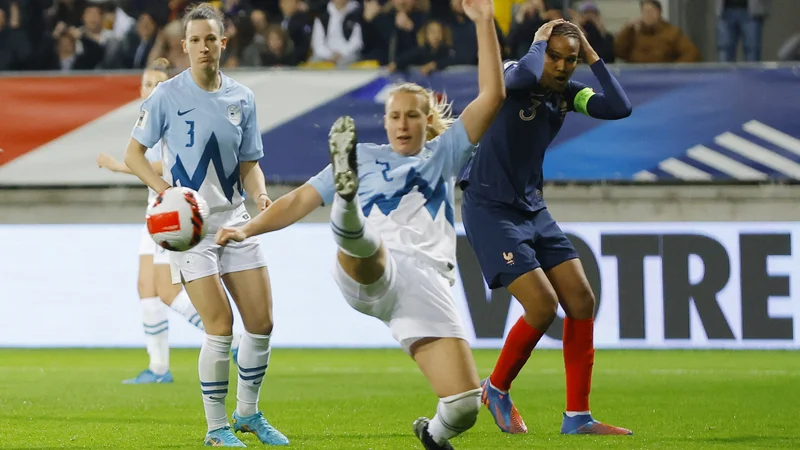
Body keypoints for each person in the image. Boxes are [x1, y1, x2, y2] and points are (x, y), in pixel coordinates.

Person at [216, 0, 505, 447]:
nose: (403, 124)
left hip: (427, 281)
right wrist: (246, 228)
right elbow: (295, 201)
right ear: (385, 121)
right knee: (369, 246)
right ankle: (348, 213)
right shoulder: (360, 156)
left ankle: (433, 434)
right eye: (394, 115)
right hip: (371, 268)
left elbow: (493, 96)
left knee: (465, 405)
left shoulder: (446, 154)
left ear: (429, 122)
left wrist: (485, 20)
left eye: (413, 115)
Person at [122, 4, 288, 447]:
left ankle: (248, 415)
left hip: (235, 221)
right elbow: (133, 155)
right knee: (219, 325)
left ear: (223, 43)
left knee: (262, 323)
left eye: (210, 39)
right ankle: (216, 429)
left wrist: (261, 195)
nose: (202, 47)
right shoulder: (166, 96)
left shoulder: (242, 98)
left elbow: (250, 162)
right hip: (190, 227)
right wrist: (166, 194)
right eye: (194, 40)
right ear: (184, 46)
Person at [458, 19, 634, 436]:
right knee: (541, 307)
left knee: (581, 300)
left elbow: (619, 107)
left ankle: (577, 418)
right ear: (542, 51)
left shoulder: (569, 95)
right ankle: (496, 389)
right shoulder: (514, 78)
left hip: (532, 208)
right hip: (489, 207)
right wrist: (538, 43)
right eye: (554, 56)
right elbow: (522, 73)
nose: (560, 66)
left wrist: (594, 58)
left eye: (569, 60)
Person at [97, 57, 222, 385]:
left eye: (157, 84)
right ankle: (158, 368)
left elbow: (158, 168)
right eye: (147, 83)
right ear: (140, 88)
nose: (151, 89)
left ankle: (229, 340)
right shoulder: (148, 119)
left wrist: (115, 166)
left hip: (172, 211)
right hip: (156, 209)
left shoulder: (169, 118)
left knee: (166, 291)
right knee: (146, 288)